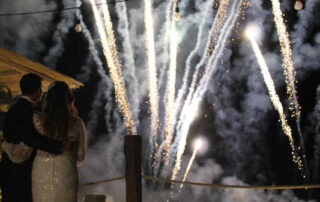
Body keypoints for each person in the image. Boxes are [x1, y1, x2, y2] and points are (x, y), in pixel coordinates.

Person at [0, 73, 64, 202]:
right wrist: (57, 146)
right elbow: (29, 137)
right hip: (19, 172)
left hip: (10, 170)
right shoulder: (25, 110)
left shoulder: (15, 108)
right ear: (38, 90)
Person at [32, 81, 86, 202]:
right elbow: (80, 157)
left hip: (40, 172)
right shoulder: (77, 123)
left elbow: (26, 148)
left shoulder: (36, 119)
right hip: (66, 172)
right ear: (69, 99)